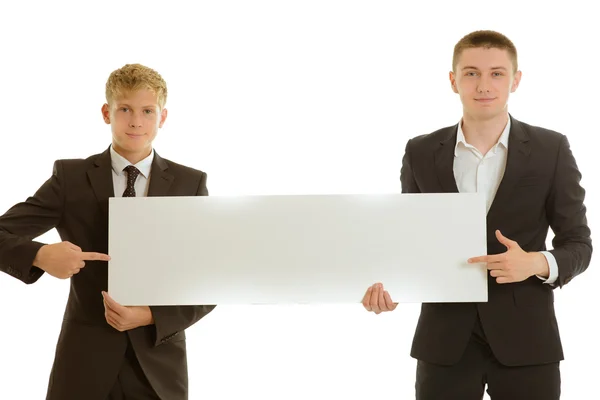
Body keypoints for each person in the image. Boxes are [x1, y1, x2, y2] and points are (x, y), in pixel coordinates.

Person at [362, 30, 592, 399]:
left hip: (527, 340)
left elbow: (578, 243)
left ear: (515, 80)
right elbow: (411, 239)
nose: (484, 84)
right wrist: (391, 285)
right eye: (471, 73)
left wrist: (535, 262)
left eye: (497, 73)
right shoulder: (420, 151)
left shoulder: (552, 148)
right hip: (445, 341)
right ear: (453, 81)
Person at [0, 63, 215, 400]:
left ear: (163, 117)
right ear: (106, 112)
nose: (135, 121)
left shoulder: (190, 183)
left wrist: (150, 315)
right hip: (84, 362)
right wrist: (40, 255)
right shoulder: (70, 178)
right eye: (125, 109)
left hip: (158, 365)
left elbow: (212, 274)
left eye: (147, 111)